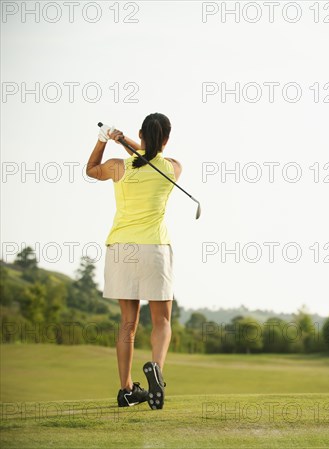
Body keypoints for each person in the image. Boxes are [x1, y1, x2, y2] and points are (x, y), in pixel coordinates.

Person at [86, 113, 182, 410]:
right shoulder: (173, 168)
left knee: (128, 324)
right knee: (162, 321)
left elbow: (90, 170)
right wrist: (125, 140)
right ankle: (156, 368)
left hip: (121, 249)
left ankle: (127, 389)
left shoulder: (118, 167)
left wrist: (105, 140)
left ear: (140, 135)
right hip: (154, 248)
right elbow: (148, 157)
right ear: (166, 139)